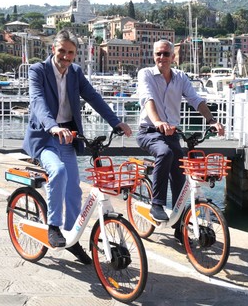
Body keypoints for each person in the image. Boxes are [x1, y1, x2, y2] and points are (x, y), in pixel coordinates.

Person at [23, 29, 132, 264]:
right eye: (62, 50)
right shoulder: (38, 71)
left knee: (74, 188)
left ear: (75, 54)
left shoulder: (75, 72)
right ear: (54, 49)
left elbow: (93, 97)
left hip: (68, 136)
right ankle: (54, 226)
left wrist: (115, 122)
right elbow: (37, 102)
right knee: (58, 172)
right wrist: (52, 126)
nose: (66, 56)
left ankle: (71, 238)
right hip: (45, 136)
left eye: (70, 52)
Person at [136, 39, 224, 242]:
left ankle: (178, 225)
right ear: (153, 55)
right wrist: (158, 121)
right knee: (164, 153)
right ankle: (157, 203)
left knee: (180, 176)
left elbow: (195, 100)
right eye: (158, 54)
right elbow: (147, 98)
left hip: (172, 133)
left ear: (173, 57)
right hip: (149, 131)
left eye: (166, 54)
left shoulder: (180, 77)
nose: (162, 58)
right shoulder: (146, 74)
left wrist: (212, 121)